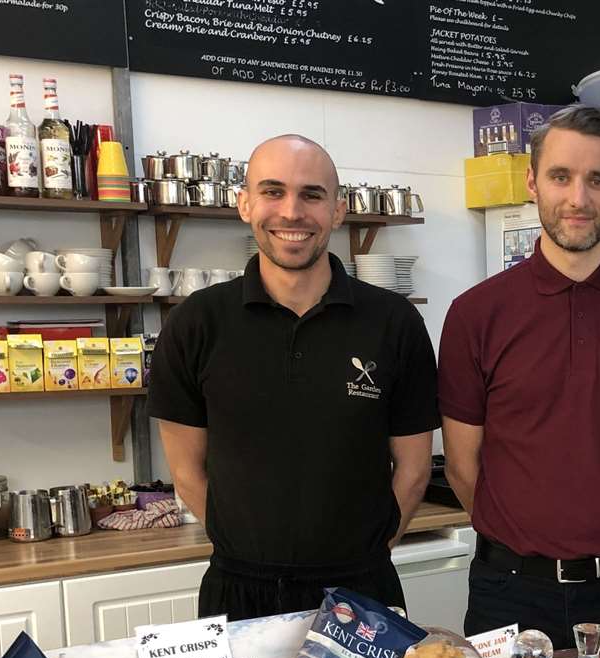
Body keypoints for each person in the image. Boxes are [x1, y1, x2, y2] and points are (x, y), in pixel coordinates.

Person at [438, 106, 600, 658]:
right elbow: (464, 468)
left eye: (598, 180)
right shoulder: (475, 314)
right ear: (532, 182)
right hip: (508, 593)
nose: (578, 199)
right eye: (561, 176)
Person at [149, 133, 440, 621]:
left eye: (311, 194)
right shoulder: (196, 323)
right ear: (244, 204)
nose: (291, 212)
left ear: (338, 210)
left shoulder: (393, 322)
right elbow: (186, 473)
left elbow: (412, 471)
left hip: (362, 594)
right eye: (272, 191)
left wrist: (363, 557)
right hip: (238, 593)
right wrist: (251, 553)